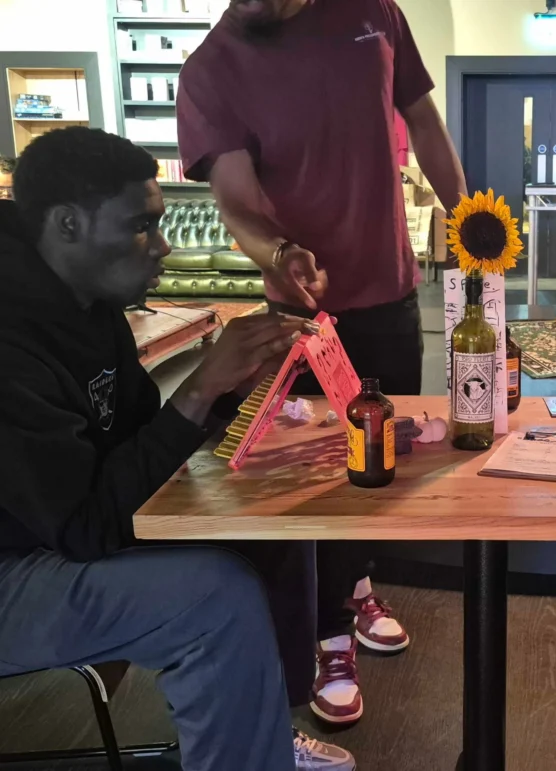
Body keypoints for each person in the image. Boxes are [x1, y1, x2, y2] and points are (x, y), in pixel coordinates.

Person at [0, 126, 354, 771]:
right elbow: (85, 527)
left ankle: (260, 734)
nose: (163, 247)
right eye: (141, 227)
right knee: (213, 597)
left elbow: (140, 435)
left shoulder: (87, 300)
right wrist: (199, 390)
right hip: (15, 568)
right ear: (68, 224)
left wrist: (231, 391)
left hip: (57, 533)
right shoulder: (11, 340)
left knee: (268, 527)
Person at [176, 0, 468, 724]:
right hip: (301, 310)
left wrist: (470, 230)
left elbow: (424, 123)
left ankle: (357, 582)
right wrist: (279, 253)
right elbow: (237, 201)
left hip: (392, 292)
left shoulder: (376, 13)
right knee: (314, 470)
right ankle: (329, 635)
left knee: (381, 455)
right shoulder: (211, 68)